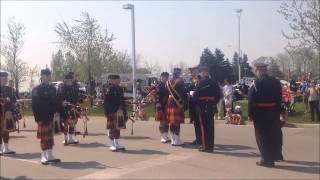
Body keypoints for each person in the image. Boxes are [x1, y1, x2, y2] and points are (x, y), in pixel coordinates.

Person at [248, 62, 286, 168]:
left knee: (262, 137)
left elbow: (251, 100)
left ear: (258, 70)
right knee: (274, 135)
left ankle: (267, 160)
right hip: (273, 112)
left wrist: (250, 114)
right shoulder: (276, 82)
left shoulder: (256, 83)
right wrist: (281, 111)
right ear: (265, 70)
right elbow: (279, 99)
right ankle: (276, 155)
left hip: (260, 113)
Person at [32, 69, 60, 165]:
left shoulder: (53, 88)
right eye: (46, 76)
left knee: (50, 137)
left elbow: (56, 102)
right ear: (42, 77)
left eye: (49, 76)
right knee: (44, 137)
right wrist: (37, 118)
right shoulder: (37, 89)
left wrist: (57, 112)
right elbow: (35, 106)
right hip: (42, 116)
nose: (48, 78)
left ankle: (50, 155)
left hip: (51, 116)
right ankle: (43, 156)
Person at [193, 66, 222, 152]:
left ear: (202, 72)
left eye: (202, 72)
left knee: (203, 126)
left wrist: (198, 105)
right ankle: (210, 146)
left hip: (202, 106)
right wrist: (213, 103)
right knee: (210, 126)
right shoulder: (214, 82)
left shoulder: (200, 82)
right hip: (210, 106)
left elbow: (195, 95)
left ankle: (205, 146)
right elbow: (219, 95)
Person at [103, 74, 127, 151]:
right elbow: (106, 101)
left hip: (119, 111)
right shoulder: (108, 89)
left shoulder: (120, 89)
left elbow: (122, 101)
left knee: (118, 127)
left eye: (119, 79)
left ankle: (116, 143)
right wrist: (106, 112)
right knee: (112, 128)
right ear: (112, 80)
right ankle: (112, 144)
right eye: (117, 79)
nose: (119, 81)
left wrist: (124, 111)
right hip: (112, 111)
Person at [57, 72, 80, 145]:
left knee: (72, 124)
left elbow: (76, 97)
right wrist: (62, 103)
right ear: (65, 80)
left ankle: (70, 138)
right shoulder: (61, 88)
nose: (70, 81)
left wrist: (77, 103)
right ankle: (65, 139)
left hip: (73, 108)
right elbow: (58, 98)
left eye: (71, 80)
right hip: (64, 109)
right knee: (66, 124)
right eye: (69, 80)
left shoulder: (73, 87)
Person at [166, 68, 187, 146]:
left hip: (169, 103)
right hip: (177, 103)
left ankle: (173, 139)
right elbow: (183, 92)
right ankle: (177, 140)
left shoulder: (168, 82)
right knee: (177, 122)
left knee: (172, 122)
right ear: (179, 73)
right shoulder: (180, 81)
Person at [0, 71, 17, 156]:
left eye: (6, 78)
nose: (6, 79)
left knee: (6, 130)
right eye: (4, 78)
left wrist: (10, 100)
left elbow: (14, 99)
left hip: (7, 113)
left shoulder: (9, 89)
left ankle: (6, 148)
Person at [187, 67, 201, 145]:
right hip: (193, 104)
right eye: (191, 72)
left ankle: (202, 139)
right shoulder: (192, 81)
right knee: (196, 123)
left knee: (200, 122)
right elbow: (189, 89)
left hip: (199, 104)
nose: (192, 73)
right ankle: (198, 138)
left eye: (193, 72)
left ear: (197, 72)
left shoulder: (201, 80)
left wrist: (193, 94)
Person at [155, 72, 170, 143]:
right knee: (162, 122)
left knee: (167, 122)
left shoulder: (168, 85)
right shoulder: (159, 86)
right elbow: (157, 96)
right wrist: (158, 105)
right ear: (161, 77)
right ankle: (163, 137)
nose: (165, 78)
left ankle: (166, 135)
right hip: (161, 105)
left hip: (168, 105)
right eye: (164, 77)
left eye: (166, 77)